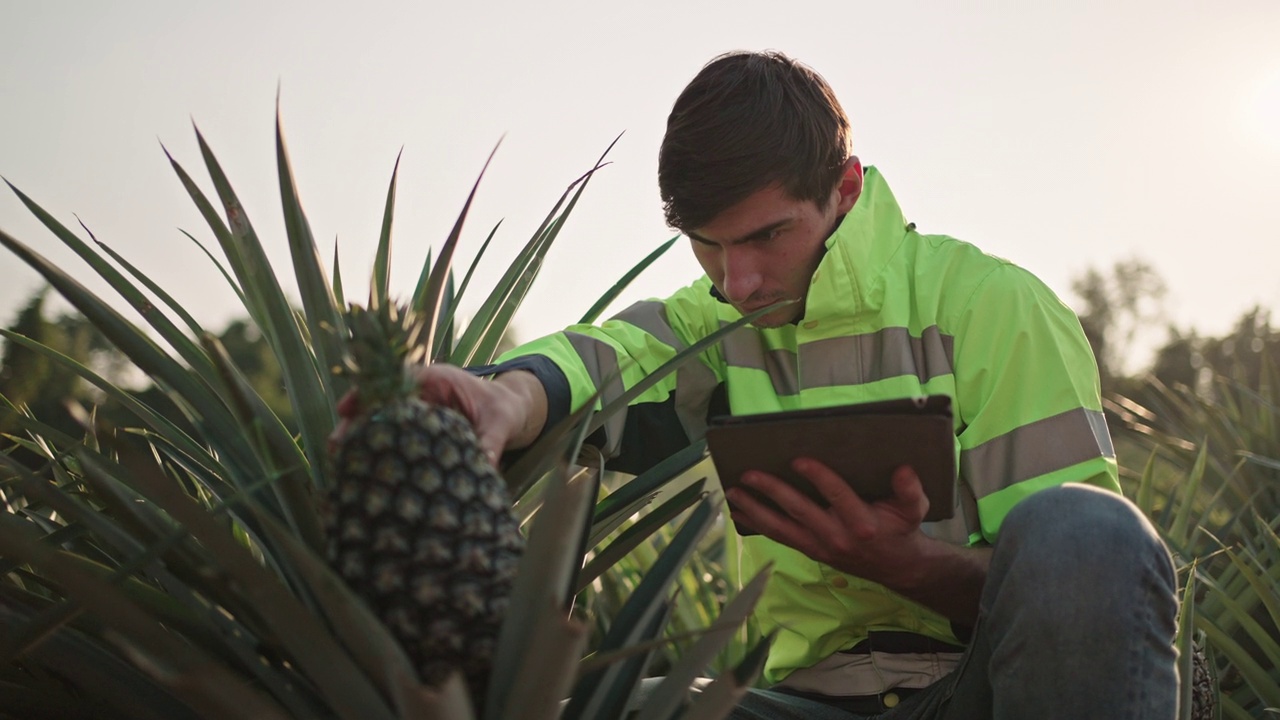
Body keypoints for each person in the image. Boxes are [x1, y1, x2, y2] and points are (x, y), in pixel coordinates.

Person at [392, 51, 1181, 718]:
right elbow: (611, 358)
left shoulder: (996, 308)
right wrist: (510, 396)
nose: (737, 282)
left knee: (1087, 531)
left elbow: (1075, 588)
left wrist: (910, 566)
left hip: (978, 692)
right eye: (707, 247)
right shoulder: (717, 323)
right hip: (794, 700)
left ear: (844, 188)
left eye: (768, 236)